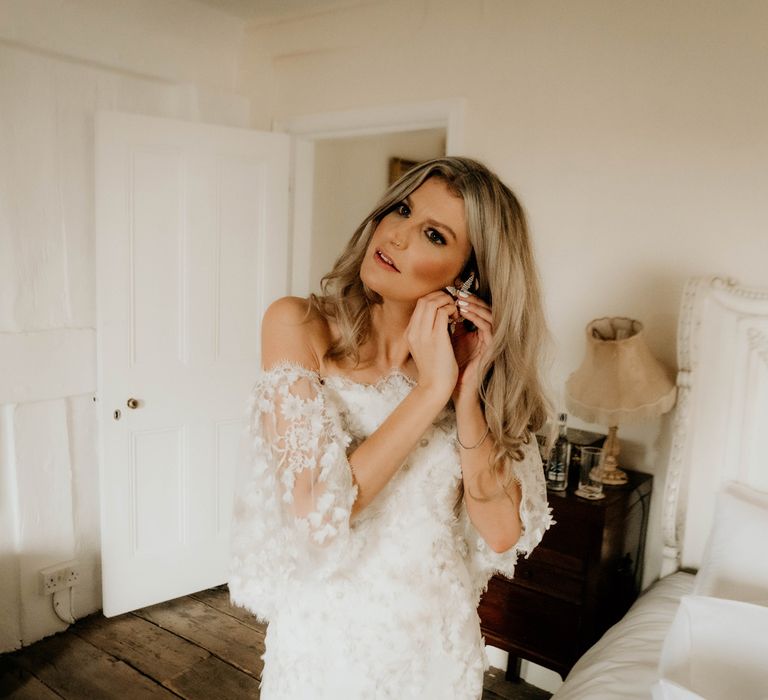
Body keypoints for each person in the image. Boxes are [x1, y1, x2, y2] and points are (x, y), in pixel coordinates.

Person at [228, 156, 553, 699]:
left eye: (432, 233)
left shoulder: (475, 367)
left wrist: (465, 393)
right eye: (401, 209)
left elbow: (500, 531)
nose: (396, 235)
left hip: (437, 649)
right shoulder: (298, 325)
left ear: (467, 277)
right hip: (329, 648)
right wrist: (429, 392)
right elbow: (317, 515)